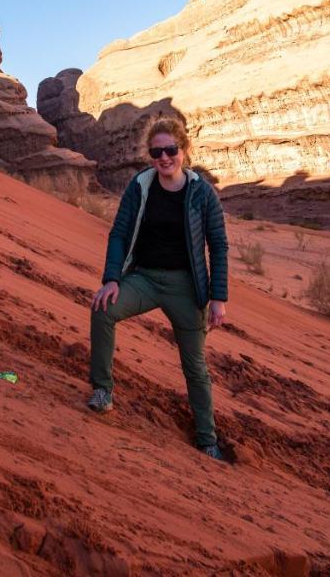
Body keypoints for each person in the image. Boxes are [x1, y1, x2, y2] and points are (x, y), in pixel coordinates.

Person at [87, 118, 229, 460]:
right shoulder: (140, 186)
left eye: (170, 150)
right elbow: (119, 233)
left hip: (186, 285)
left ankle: (207, 439)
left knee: (195, 364)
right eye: (156, 152)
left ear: (184, 150)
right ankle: (103, 391)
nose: (164, 158)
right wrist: (111, 279)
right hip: (145, 279)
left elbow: (218, 245)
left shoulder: (201, 192)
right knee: (103, 310)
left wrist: (218, 298)